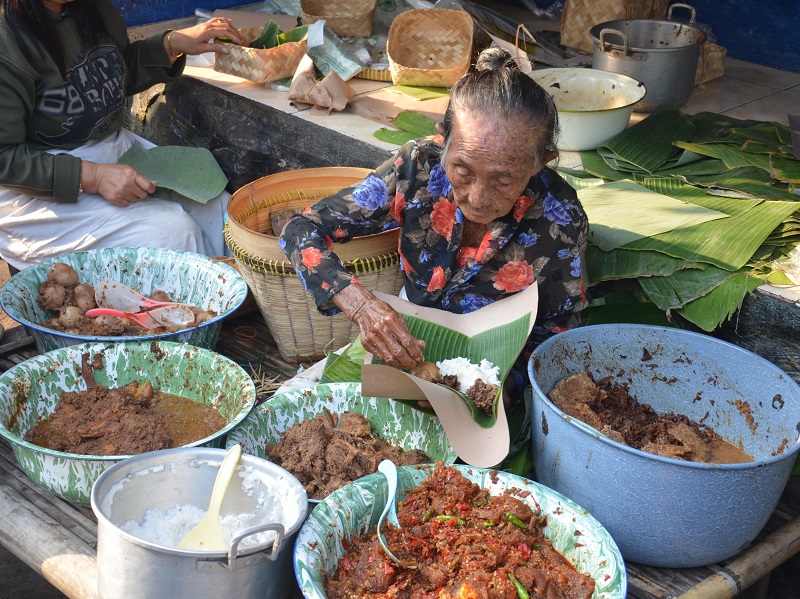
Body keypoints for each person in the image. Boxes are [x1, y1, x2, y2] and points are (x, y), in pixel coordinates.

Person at [280, 47, 589, 398]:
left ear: (541, 162)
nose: (477, 197)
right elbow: (300, 229)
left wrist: (491, 391)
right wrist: (360, 305)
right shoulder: (418, 168)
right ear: (445, 137)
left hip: (489, 370)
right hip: (405, 342)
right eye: (463, 170)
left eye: (504, 181)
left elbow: (560, 332)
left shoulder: (560, 220)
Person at [0, 0, 244, 271]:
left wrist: (170, 44)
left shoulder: (90, 8)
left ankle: (235, 304)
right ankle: (189, 311)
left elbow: (110, 72)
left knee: (222, 211)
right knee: (173, 233)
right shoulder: (6, 38)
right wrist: (94, 176)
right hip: (37, 186)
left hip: (112, 151)